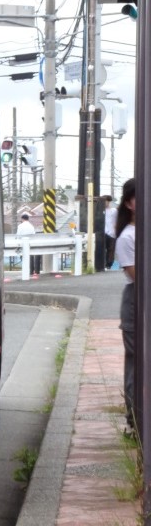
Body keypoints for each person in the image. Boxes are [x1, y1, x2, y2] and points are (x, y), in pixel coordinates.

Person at [115, 178, 136, 428]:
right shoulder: (127, 237)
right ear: (129, 204)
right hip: (135, 301)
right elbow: (136, 275)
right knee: (136, 361)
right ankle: (134, 419)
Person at [104, 195, 118, 268]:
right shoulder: (101, 211)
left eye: (106, 201)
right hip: (104, 232)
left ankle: (109, 264)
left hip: (112, 233)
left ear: (109, 202)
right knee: (103, 249)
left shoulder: (114, 211)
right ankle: (103, 263)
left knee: (111, 249)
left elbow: (117, 221)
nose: (105, 203)